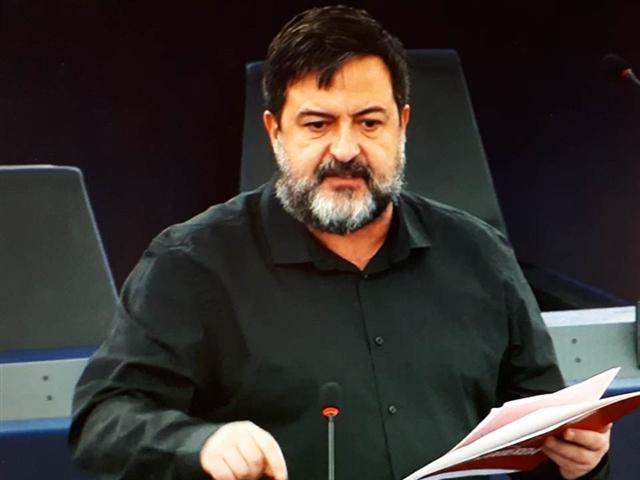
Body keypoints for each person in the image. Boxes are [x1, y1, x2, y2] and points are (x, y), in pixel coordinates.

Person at [70, 6, 611, 480]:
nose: (346, 148)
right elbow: (104, 419)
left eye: (369, 123)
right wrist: (200, 444)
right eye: (318, 124)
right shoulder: (193, 264)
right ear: (275, 132)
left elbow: (542, 435)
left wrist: (579, 463)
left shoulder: (480, 255)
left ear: (402, 125)